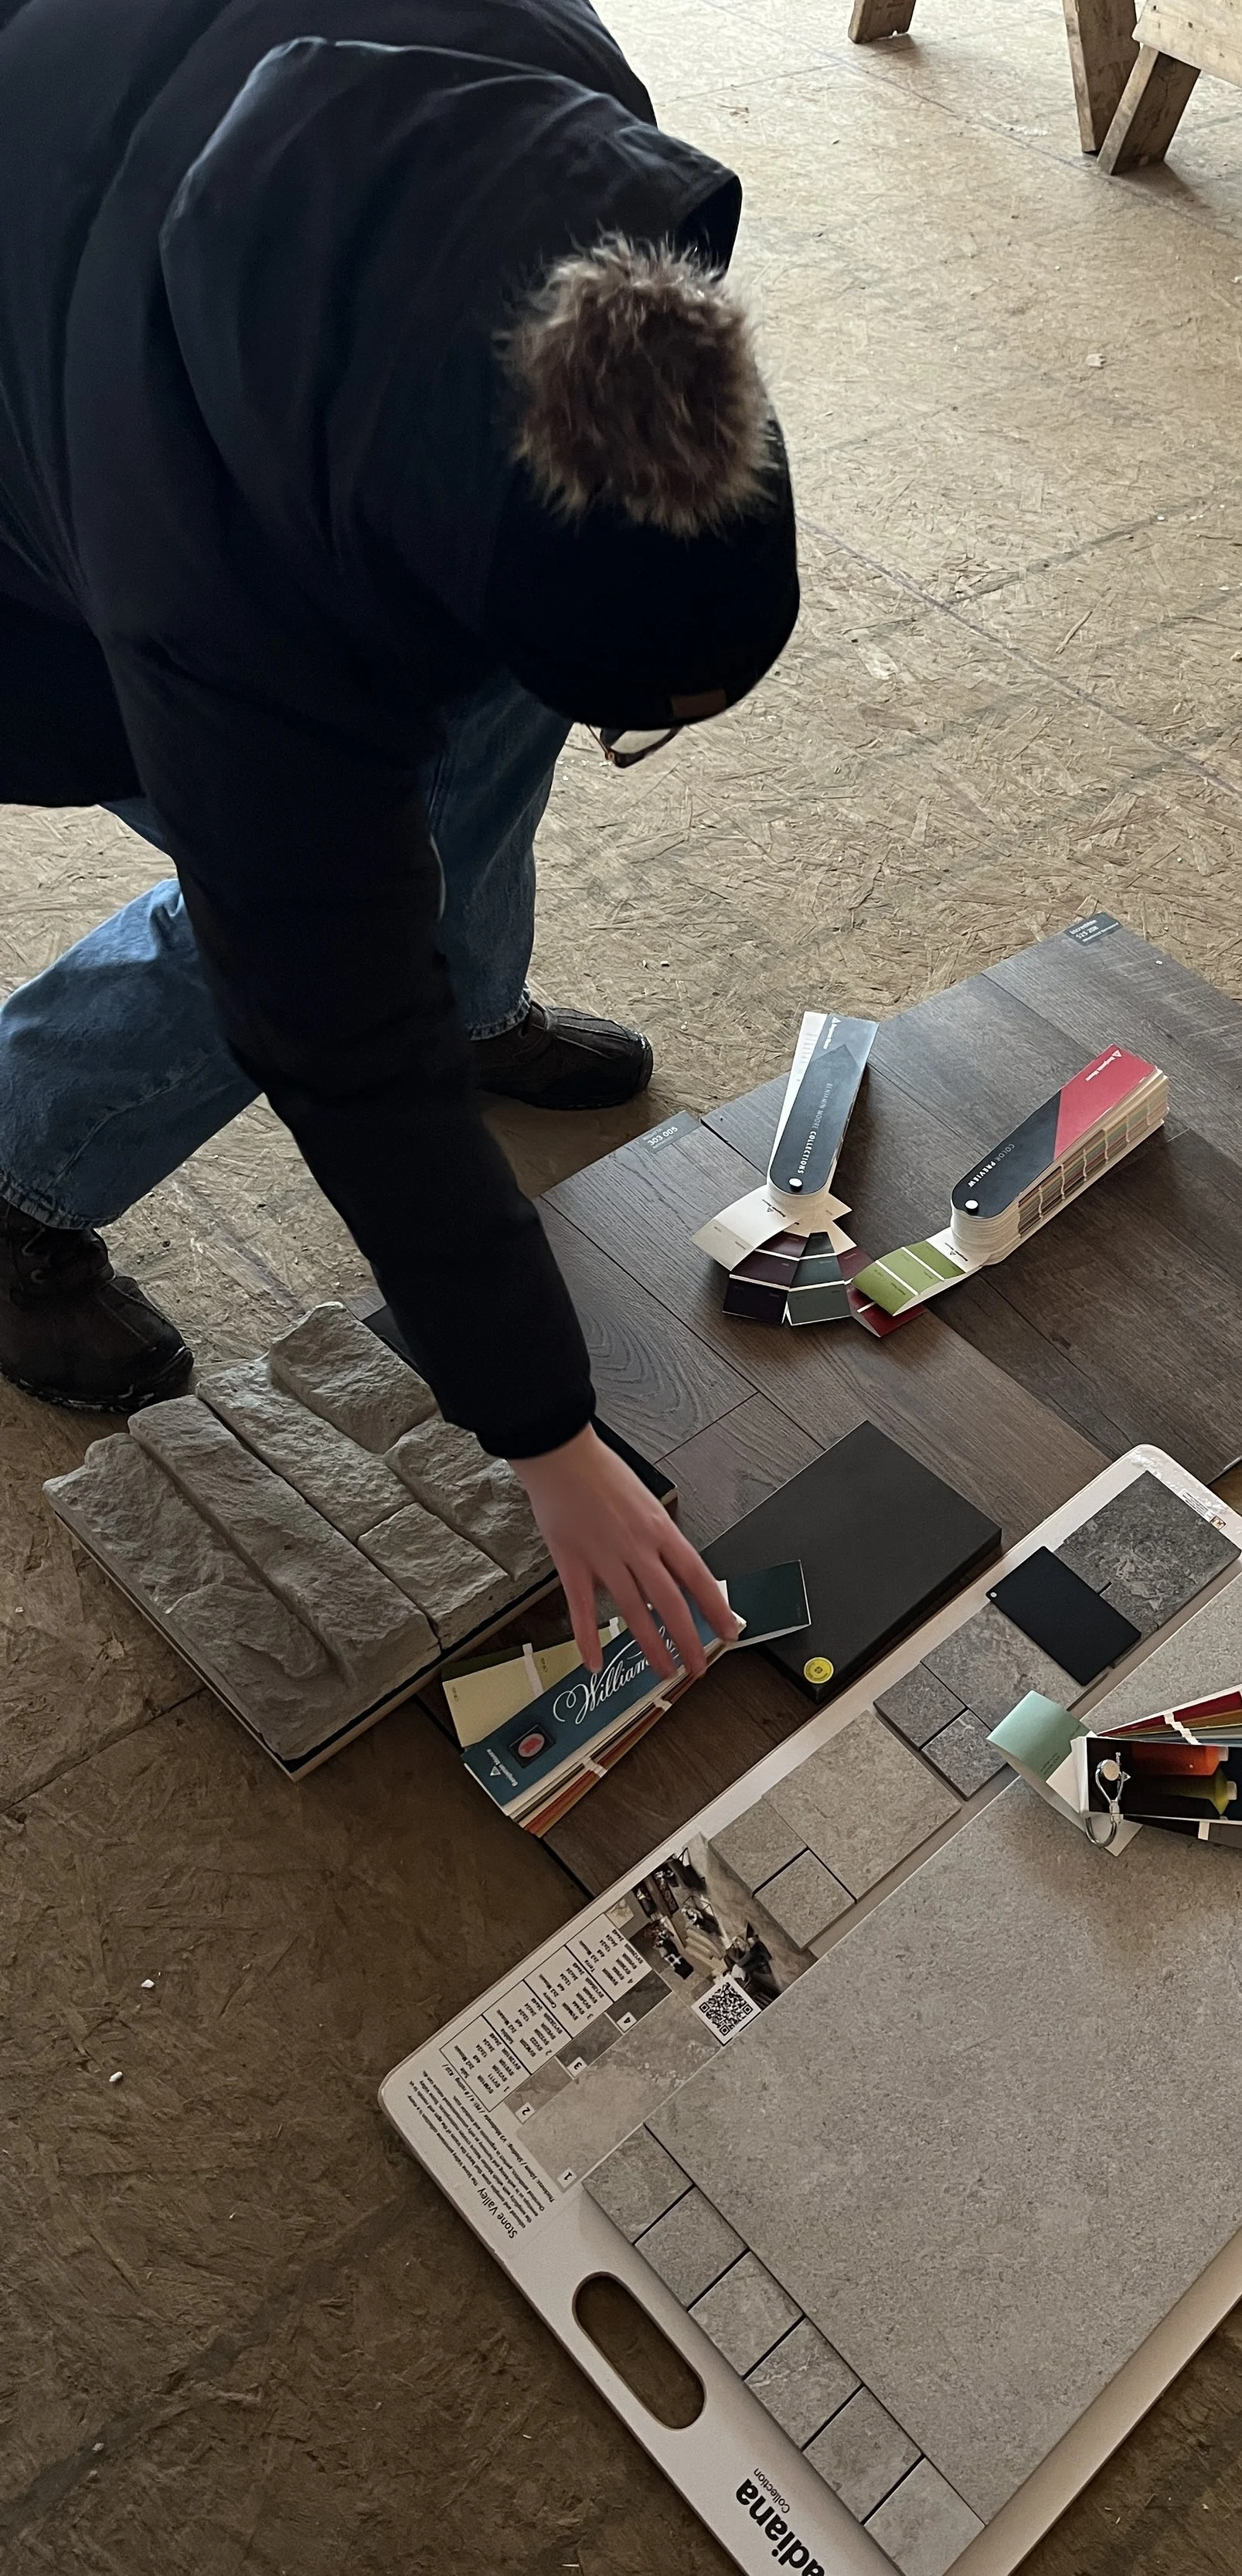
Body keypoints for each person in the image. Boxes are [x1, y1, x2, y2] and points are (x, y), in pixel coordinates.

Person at [0, 0, 801, 1679]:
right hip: (53, 437)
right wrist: (548, 1437)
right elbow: (334, 1023)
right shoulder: (219, 589)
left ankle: (473, 980)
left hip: (154, 216)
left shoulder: (566, 124)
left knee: (479, 727)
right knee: (300, 922)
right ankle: (15, 1167)